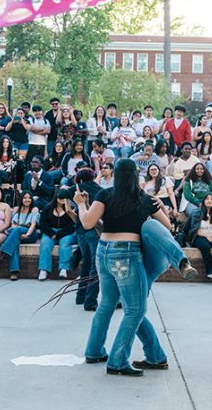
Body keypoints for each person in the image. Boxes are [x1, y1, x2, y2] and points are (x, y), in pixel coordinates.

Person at [76, 159, 180, 376]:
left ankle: (94, 350)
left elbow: (87, 222)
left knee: (106, 303)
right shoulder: (145, 199)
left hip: (103, 251)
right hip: (127, 255)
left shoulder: (105, 195)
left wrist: (80, 203)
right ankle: (118, 361)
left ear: (115, 174)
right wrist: (160, 207)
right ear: (135, 175)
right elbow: (167, 227)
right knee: (136, 309)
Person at [37, 188, 78, 281]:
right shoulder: (47, 208)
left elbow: (72, 225)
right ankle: (44, 269)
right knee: (45, 244)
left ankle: (64, 268)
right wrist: (52, 234)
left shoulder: (70, 208)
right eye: (60, 198)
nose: (62, 200)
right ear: (56, 198)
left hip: (65, 232)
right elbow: (42, 224)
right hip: (50, 231)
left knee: (65, 244)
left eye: (65, 198)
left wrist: (59, 234)